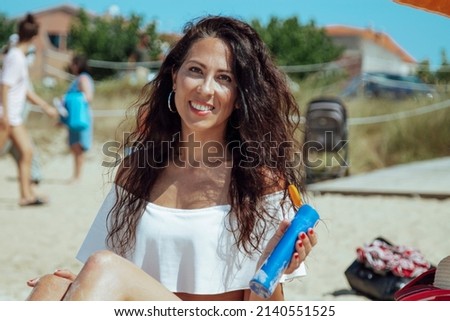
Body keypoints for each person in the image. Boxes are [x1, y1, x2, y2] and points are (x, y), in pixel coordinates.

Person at [26, 15, 318, 301]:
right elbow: (105, 283)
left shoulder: (259, 181)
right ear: (174, 78)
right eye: (195, 70)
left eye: (224, 78)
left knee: (103, 267)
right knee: (50, 286)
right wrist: (75, 284)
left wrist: (273, 269)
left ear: (239, 97)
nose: (205, 89)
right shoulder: (136, 172)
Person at [0, 14, 57, 206]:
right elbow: (5, 86)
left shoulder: (19, 57)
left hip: (13, 117)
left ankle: (26, 195)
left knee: (27, 152)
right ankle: (26, 194)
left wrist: (45, 106)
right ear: (34, 38)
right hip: (7, 116)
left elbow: (23, 91)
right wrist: (6, 115)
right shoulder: (15, 57)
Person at [62, 54, 94, 182]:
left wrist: (71, 100)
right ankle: (76, 175)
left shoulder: (83, 79)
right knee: (75, 146)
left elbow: (88, 97)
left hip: (80, 117)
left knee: (78, 147)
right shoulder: (81, 78)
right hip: (76, 117)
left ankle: (77, 176)